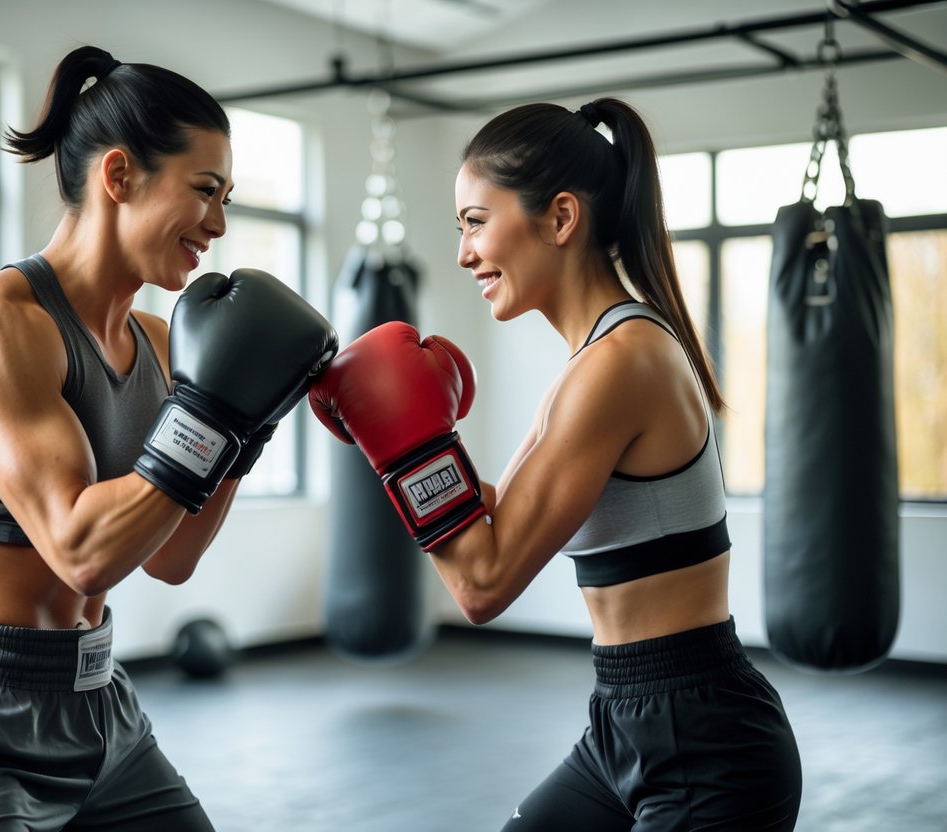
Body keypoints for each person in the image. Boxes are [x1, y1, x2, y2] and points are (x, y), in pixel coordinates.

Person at [310, 98, 802, 830]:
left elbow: (481, 581)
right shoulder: (589, 366)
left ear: (561, 218)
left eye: (476, 222)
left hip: (704, 743)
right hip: (622, 723)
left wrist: (406, 444)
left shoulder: (622, 364)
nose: (463, 253)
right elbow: (496, 519)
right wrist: (399, 430)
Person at [0, 45, 336, 831]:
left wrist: (248, 430)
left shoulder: (162, 344)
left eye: (226, 197)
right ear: (120, 176)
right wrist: (215, 421)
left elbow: (169, 557)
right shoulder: (1, 327)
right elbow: (82, 550)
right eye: (204, 191)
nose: (219, 224)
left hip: (103, 707)